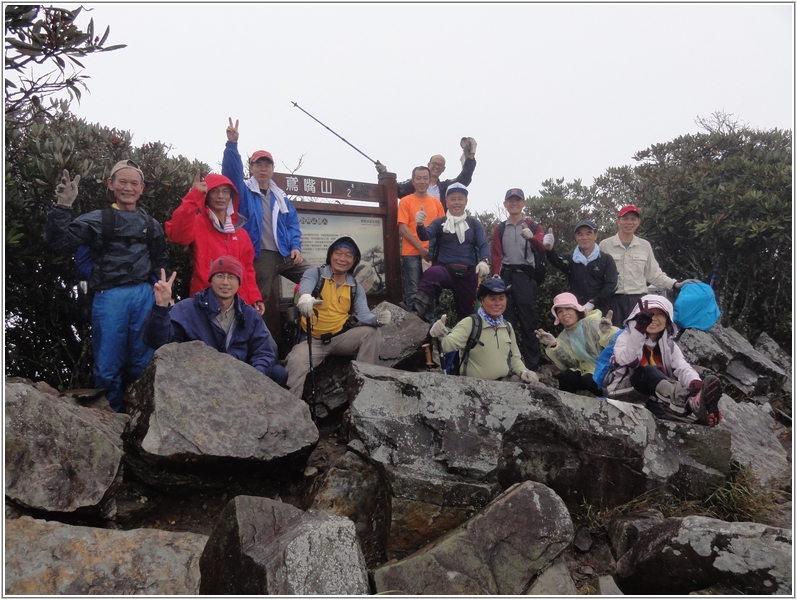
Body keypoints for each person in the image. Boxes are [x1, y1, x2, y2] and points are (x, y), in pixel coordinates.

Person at [44, 160, 170, 411]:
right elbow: (57, 243)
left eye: (134, 183)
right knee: (108, 365)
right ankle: (110, 423)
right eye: (122, 181)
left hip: (144, 295)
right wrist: (63, 205)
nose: (128, 187)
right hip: (109, 297)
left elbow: (160, 262)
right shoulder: (96, 220)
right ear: (110, 184)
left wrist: (163, 296)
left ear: (142, 188)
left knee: (144, 363)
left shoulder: (151, 224)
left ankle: (141, 420)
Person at [143, 256, 288, 387]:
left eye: (231, 277)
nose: (225, 282)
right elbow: (159, 342)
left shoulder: (249, 315)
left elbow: (263, 352)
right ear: (211, 280)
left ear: (239, 283)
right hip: (198, 379)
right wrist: (161, 307)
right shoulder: (187, 309)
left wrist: (254, 376)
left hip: (240, 379)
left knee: (278, 373)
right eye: (219, 276)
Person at [285, 236, 392, 398]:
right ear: (330, 255)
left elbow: (363, 314)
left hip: (340, 337)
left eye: (349, 255)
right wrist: (305, 297)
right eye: (338, 253)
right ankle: (291, 413)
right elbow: (306, 285)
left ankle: (364, 393)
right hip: (311, 340)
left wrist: (378, 320)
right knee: (296, 363)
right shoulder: (315, 274)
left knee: (372, 333)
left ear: (354, 260)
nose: (342, 259)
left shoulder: (354, 286)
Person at [222, 118, 309, 303]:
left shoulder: (280, 196)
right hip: (260, 254)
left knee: (314, 278)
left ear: (272, 169)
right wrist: (232, 144)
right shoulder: (244, 191)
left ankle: (299, 309)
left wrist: (295, 247)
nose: (263, 169)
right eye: (258, 164)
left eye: (267, 165)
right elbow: (231, 174)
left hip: (285, 254)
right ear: (251, 168)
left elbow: (292, 224)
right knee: (257, 299)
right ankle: (253, 330)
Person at [604, 295, 722, 427]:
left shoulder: (669, 345)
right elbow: (624, 359)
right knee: (649, 372)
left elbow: (682, 367)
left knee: (696, 421)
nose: (654, 318)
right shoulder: (625, 337)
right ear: (637, 316)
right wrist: (639, 330)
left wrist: (697, 385)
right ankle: (688, 402)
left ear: (668, 320)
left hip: (655, 397)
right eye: (649, 313)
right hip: (624, 390)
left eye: (660, 314)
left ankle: (702, 410)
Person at [165, 169, 264, 314]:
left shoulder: (241, 233)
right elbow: (177, 236)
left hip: (239, 304)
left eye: (225, 191)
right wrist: (194, 196)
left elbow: (247, 269)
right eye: (214, 191)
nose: (220, 196)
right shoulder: (197, 223)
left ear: (231, 196)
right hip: (205, 301)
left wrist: (255, 297)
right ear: (207, 195)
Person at [599, 205, 698, 327]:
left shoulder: (645, 245)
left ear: (638, 222)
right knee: (612, 339)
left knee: (639, 339)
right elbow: (597, 275)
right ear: (618, 221)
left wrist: (676, 284)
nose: (629, 222)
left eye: (633, 219)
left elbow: (654, 274)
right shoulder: (605, 245)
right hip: (612, 302)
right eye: (625, 218)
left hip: (638, 301)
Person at [428, 277, 539, 383]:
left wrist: (523, 371)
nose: (498, 303)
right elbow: (447, 345)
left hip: (503, 386)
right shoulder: (471, 323)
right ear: (482, 301)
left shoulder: (507, 326)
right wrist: (437, 334)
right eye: (492, 298)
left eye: (501, 298)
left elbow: (515, 359)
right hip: (473, 390)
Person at [412, 183, 491, 322]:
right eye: (453, 199)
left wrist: (484, 261)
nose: (456, 202)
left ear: (466, 201)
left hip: (468, 272)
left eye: (460, 199)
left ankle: (465, 340)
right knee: (432, 273)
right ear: (446, 201)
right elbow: (425, 235)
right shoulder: (439, 222)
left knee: (466, 314)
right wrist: (419, 225)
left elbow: (483, 244)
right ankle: (416, 312)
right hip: (445, 269)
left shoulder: (474, 224)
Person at [490, 187, 546, 370]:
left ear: (524, 202)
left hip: (525, 276)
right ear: (505, 204)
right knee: (506, 320)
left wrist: (532, 239)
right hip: (506, 275)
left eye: (518, 200)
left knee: (528, 320)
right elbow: (497, 254)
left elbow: (543, 247)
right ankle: (507, 363)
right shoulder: (500, 228)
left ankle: (532, 364)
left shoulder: (533, 225)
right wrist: (495, 275)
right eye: (510, 201)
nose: (514, 203)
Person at [535, 293, 619, 395]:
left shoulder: (591, 323)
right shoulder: (563, 336)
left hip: (606, 368)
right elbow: (570, 364)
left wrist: (607, 332)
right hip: (585, 370)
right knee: (568, 376)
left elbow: (616, 343)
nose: (564, 313)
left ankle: (611, 398)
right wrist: (554, 344)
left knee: (588, 380)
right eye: (560, 311)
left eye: (568, 309)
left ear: (576, 310)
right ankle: (564, 406)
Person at [397, 166, 445, 319]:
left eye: (425, 178)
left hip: (431, 255)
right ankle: (415, 327)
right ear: (413, 181)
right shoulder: (405, 201)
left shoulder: (436, 203)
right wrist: (419, 248)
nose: (422, 181)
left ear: (430, 180)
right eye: (418, 178)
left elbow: (442, 228)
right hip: (411, 254)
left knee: (431, 290)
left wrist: (433, 252)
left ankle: (429, 325)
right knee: (413, 290)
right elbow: (403, 228)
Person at [545, 219, 618, 317]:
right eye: (580, 234)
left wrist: (593, 302)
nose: (584, 237)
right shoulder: (571, 260)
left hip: (602, 311)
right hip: (577, 311)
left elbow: (612, 285)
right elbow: (557, 260)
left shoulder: (606, 259)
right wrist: (549, 250)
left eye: (588, 233)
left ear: (595, 236)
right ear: (576, 237)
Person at [392, 137, 477, 211]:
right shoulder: (415, 184)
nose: (437, 167)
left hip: (438, 227)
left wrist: (471, 156)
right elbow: (396, 189)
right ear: (428, 165)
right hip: (416, 225)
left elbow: (463, 179)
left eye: (440, 165)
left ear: (443, 169)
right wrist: (384, 173)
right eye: (434, 163)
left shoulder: (445, 187)